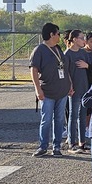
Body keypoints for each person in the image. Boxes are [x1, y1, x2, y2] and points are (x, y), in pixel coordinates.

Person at [30, 22, 72, 157]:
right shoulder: (39, 50)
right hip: (47, 91)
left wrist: (70, 84)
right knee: (46, 120)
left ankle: (57, 147)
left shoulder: (58, 49)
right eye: (58, 34)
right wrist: (38, 89)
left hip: (62, 90)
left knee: (59, 120)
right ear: (51, 34)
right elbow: (33, 70)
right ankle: (43, 146)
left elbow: (65, 68)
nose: (60, 36)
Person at [62, 29, 92, 153]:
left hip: (84, 88)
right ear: (74, 39)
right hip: (74, 89)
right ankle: (72, 143)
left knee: (82, 116)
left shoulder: (83, 53)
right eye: (81, 38)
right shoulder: (67, 54)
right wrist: (69, 86)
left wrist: (87, 66)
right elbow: (65, 72)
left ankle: (82, 143)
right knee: (73, 115)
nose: (83, 40)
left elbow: (91, 68)